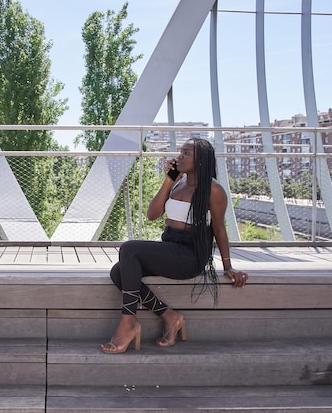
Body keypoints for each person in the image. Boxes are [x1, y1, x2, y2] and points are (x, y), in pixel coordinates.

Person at [101, 138, 248, 354]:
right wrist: (168, 181)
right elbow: (152, 215)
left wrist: (228, 266)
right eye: (181, 152)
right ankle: (170, 316)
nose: (179, 156)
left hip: (190, 256)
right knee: (118, 272)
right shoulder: (178, 183)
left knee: (129, 248)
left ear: (201, 160)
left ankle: (128, 323)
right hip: (171, 246)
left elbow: (219, 229)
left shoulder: (213, 190)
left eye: (186, 153)